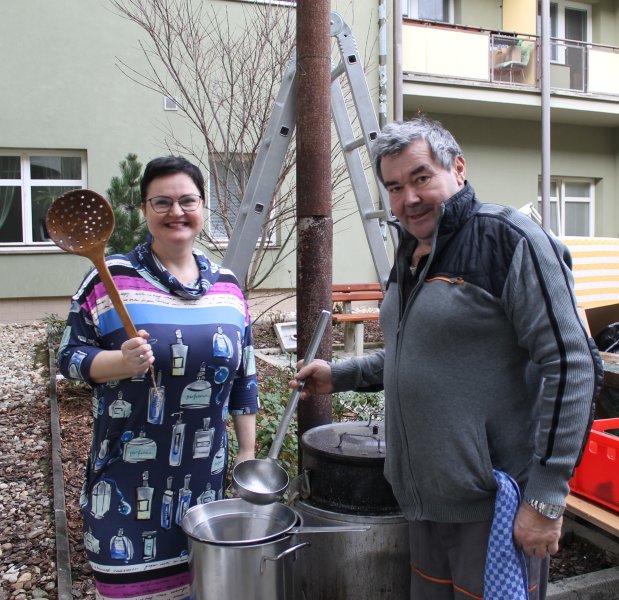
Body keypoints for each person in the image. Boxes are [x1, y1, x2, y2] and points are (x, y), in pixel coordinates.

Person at [291, 117, 603, 599]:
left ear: (458, 169)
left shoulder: (508, 239)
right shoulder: (412, 252)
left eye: (421, 178)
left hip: (495, 506)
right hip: (424, 505)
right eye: (395, 187)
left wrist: (545, 499)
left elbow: (573, 364)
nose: (409, 198)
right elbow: (414, 352)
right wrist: (340, 375)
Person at [57, 156, 259, 599]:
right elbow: (69, 357)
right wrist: (120, 363)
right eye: (162, 202)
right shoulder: (110, 277)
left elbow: (245, 376)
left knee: (203, 589)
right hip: (123, 480)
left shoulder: (228, 286)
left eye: (188, 200)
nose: (176, 212)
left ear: (203, 206)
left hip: (204, 483)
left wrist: (246, 453)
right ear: (144, 209)